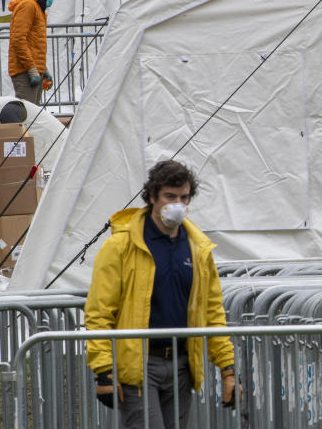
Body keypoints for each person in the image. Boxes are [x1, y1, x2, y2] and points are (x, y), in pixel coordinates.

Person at [84, 160, 236, 428]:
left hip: (181, 365)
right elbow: (99, 312)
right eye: (169, 196)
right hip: (139, 365)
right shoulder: (120, 246)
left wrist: (228, 368)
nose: (177, 203)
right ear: (152, 196)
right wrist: (104, 370)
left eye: (183, 197)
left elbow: (212, 310)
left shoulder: (198, 249)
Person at [8, 0, 55, 104]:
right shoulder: (28, 5)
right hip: (24, 71)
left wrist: (42, 68)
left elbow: (34, 43)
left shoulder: (36, 7)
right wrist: (31, 69)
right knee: (27, 116)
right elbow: (18, 40)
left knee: (33, 115)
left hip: (31, 69)